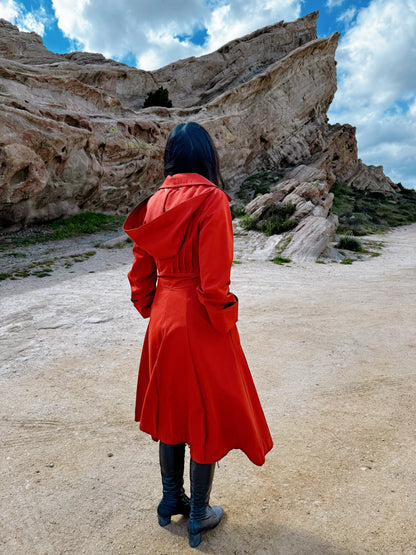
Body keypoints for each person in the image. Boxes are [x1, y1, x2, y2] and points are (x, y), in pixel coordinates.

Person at [123, 122, 273, 548]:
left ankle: (172, 499)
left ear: (170, 157)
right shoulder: (212, 200)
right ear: (207, 157)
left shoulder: (152, 204)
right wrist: (225, 320)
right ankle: (200, 514)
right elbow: (213, 284)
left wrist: (155, 309)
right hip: (201, 321)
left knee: (172, 409)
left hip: (164, 320)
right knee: (204, 414)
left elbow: (140, 274)